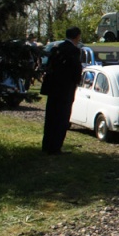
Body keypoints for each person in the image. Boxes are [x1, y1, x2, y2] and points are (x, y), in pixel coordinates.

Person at [41, 26, 82, 155]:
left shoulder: (56, 48)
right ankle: (56, 147)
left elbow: (49, 66)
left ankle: (46, 144)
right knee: (62, 118)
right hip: (65, 89)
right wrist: (76, 81)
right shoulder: (74, 51)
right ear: (77, 36)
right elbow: (76, 69)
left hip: (53, 87)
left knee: (51, 117)